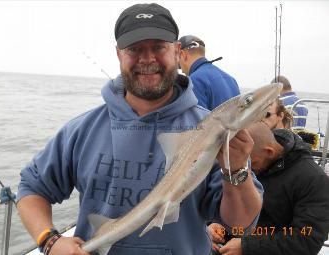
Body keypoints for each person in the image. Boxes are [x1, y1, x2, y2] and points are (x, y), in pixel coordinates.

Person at [16, 3, 263, 255]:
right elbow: (31, 188)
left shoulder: (208, 130)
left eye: (158, 47)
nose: (147, 59)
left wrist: (237, 170)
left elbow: (240, 225)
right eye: (135, 49)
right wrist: (49, 240)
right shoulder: (83, 130)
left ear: (177, 51)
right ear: (119, 54)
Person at [208, 122, 329, 255]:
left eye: (252, 165)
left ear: (269, 152)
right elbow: (215, 202)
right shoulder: (237, 163)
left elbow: (307, 240)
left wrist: (247, 247)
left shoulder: (313, 179)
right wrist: (214, 227)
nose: (248, 172)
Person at [178, 35, 240, 110]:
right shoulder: (231, 80)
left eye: (178, 63)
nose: (181, 70)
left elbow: (196, 120)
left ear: (182, 54)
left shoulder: (194, 81)